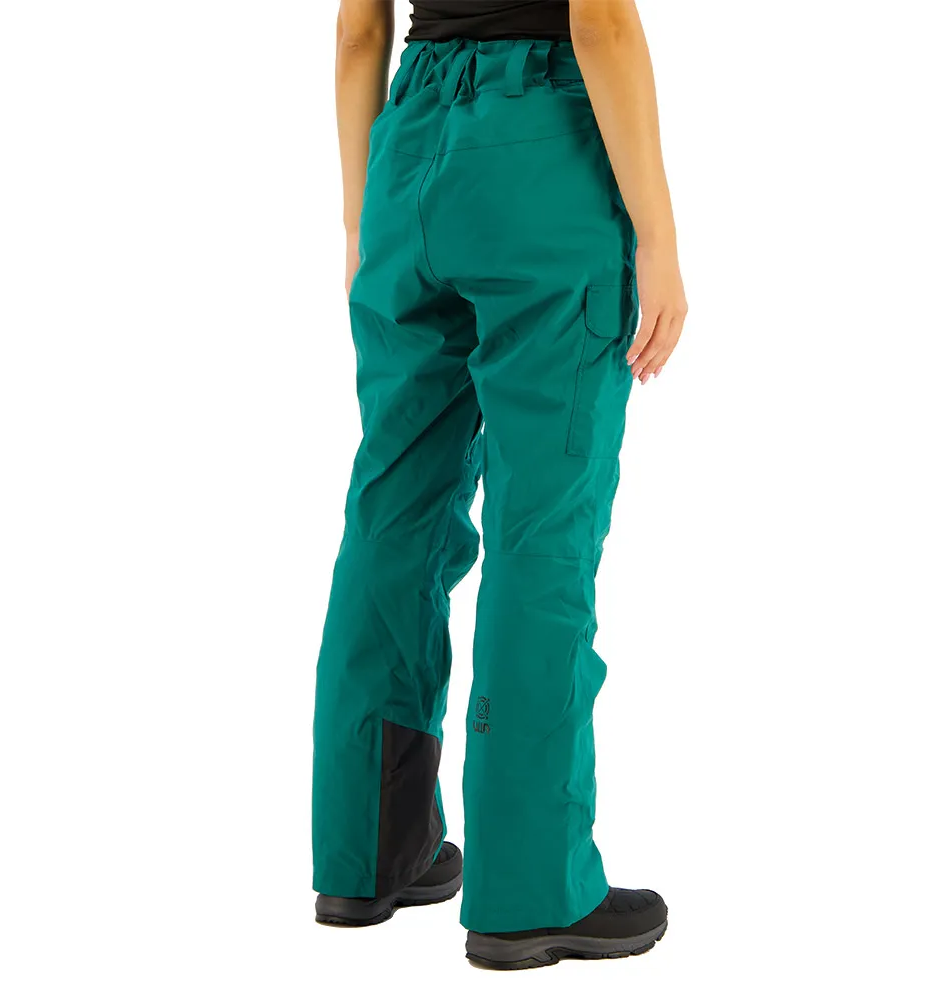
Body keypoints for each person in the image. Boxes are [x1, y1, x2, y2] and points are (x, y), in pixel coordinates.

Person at [313, 0, 687, 970]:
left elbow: (359, 30)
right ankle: (531, 891)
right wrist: (657, 236)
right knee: (541, 528)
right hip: (542, 151)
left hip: (408, 152)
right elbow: (600, 22)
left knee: (394, 509)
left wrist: (360, 219)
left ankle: (368, 852)